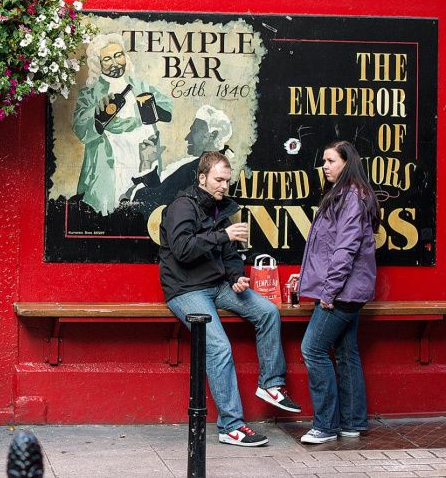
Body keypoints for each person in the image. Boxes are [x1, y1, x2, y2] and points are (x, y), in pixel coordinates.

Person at [159, 151, 301, 447]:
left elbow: (230, 256)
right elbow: (183, 250)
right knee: (219, 347)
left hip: (219, 285)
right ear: (202, 178)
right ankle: (231, 426)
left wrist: (237, 277)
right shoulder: (181, 207)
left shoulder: (218, 209)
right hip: (186, 290)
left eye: (227, 180)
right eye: (218, 179)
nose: (224, 186)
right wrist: (224, 235)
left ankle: (271, 385)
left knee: (267, 311)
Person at [291, 141, 379, 444]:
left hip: (342, 293)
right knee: (346, 353)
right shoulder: (345, 194)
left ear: (347, 162)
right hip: (348, 291)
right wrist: (303, 278)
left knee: (312, 349)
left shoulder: (350, 197)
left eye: (330, 161)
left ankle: (325, 426)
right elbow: (326, 249)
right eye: (324, 161)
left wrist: (328, 292)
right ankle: (352, 423)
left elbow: (345, 250)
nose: (325, 166)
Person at [73, 33, 173, 216]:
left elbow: (167, 108)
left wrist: (153, 110)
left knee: (145, 209)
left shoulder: (139, 85)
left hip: (144, 159)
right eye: (107, 59)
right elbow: (80, 128)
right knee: (113, 213)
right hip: (112, 162)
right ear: (98, 64)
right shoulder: (90, 94)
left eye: (118, 55)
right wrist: (98, 117)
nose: (115, 63)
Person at [130, 104, 233, 211]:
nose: (187, 137)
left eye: (195, 131)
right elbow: (164, 196)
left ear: (213, 135)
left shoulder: (197, 169)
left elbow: (156, 204)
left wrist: (145, 163)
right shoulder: (205, 167)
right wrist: (147, 163)